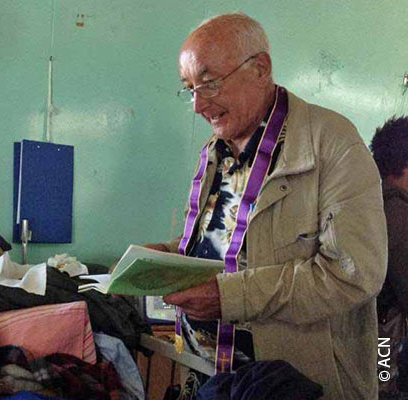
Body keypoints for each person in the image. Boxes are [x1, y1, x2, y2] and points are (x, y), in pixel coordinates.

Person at [143, 13, 387, 400]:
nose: (197, 105)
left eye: (209, 83)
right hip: (212, 376)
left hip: (294, 385)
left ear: (261, 67)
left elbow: (352, 275)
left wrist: (229, 297)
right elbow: (230, 246)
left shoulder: (332, 144)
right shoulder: (215, 152)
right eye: (189, 89)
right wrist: (168, 258)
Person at [370, 116, 408, 399]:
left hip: (370, 331)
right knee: (383, 390)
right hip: (383, 335)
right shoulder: (397, 212)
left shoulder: (372, 201)